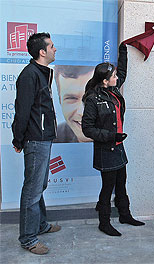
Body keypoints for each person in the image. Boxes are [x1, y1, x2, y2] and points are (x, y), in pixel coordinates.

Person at [82, 43, 145, 237]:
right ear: (104, 81)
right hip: (106, 148)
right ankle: (104, 222)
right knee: (107, 186)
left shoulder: (113, 90)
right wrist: (111, 136)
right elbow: (87, 129)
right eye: (114, 77)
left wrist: (123, 51)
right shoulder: (93, 99)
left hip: (118, 146)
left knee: (121, 183)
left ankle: (125, 215)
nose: (117, 79)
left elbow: (123, 72)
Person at [12, 32, 61, 255]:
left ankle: (40, 225)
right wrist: (18, 138)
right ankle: (29, 239)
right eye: (51, 46)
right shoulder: (29, 75)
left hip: (44, 138)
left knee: (39, 186)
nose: (55, 49)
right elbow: (22, 111)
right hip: (34, 139)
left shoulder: (41, 73)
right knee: (32, 190)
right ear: (42, 52)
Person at [53, 65, 94, 143]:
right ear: (60, 101)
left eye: (90, 98)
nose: (82, 112)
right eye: (72, 98)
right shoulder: (55, 138)